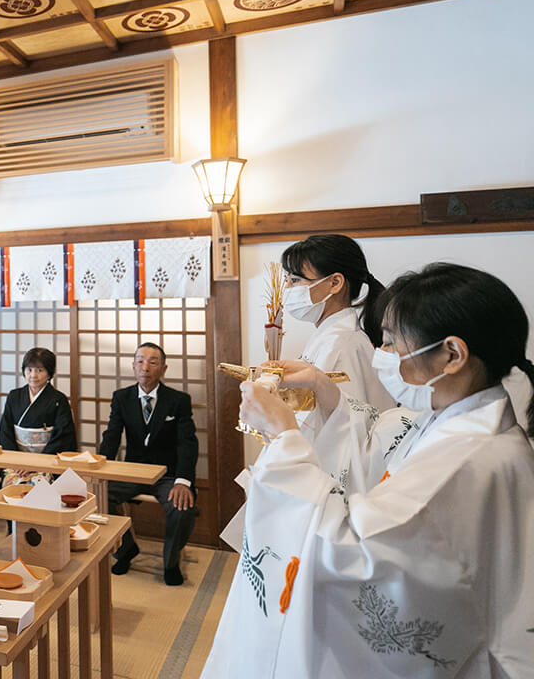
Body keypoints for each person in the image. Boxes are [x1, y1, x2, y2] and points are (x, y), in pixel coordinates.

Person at [202, 263, 534, 678]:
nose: (383, 356)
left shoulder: (472, 457)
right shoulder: (463, 420)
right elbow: (382, 446)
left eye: (393, 344)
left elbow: (351, 551)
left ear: (452, 354)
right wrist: (324, 388)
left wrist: (284, 438)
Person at [98, 343, 198, 585]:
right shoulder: (122, 398)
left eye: (153, 362)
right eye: (140, 361)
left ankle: (170, 562)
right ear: (133, 366)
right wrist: (99, 471)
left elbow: (188, 443)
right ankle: (125, 549)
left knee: (182, 507)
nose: (146, 367)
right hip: (132, 472)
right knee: (97, 497)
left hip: (167, 475)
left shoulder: (178, 400)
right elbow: (111, 437)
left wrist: (184, 481)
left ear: (163, 368)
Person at [281, 234, 392, 411]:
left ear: (335, 283)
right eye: (286, 280)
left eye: (295, 280)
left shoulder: (342, 345)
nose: (287, 290)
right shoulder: (330, 336)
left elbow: (345, 425)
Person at [0, 347, 77, 454]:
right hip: (16, 461)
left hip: (46, 462)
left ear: (49, 373)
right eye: (29, 370)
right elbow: (5, 433)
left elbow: (62, 438)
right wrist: (16, 461)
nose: (33, 375)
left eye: (39, 370)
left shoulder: (59, 400)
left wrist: (37, 464)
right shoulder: (14, 396)